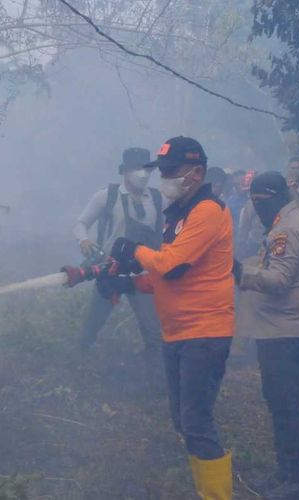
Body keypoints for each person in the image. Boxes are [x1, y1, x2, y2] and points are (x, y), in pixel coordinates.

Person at [99, 136, 234, 499]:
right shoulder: (178, 215)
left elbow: (171, 265)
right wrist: (126, 283)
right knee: (184, 422)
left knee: (197, 423)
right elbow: (164, 278)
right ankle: (205, 489)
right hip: (177, 333)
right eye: (163, 171)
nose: (165, 178)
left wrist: (133, 248)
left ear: (197, 172)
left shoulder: (207, 210)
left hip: (204, 332)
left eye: (172, 171)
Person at [234, 171, 299, 499]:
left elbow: (279, 280)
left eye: (259, 202)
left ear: (272, 197)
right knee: (281, 404)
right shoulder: (291, 221)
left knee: (286, 407)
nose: (256, 208)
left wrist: (241, 273)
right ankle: (286, 472)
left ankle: (298, 481)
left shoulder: (288, 229)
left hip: (286, 330)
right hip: (283, 328)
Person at [73, 147, 164, 388]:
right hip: (110, 272)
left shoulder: (157, 199)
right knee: (92, 324)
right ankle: (74, 370)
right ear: (124, 171)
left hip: (142, 275)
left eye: (147, 169)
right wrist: (84, 240)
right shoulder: (107, 196)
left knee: (153, 332)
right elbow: (81, 224)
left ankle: (157, 385)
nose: (142, 175)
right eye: (137, 169)